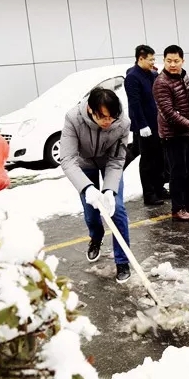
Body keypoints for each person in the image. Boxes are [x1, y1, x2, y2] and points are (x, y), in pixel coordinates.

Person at [59, 87, 133, 283]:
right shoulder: (73, 119)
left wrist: (109, 190)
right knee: (91, 211)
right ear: (90, 110)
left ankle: (122, 260)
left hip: (109, 164)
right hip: (84, 164)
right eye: (103, 117)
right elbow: (67, 159)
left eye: (111, 117)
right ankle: (96, 236)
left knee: (117, 208)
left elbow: (117, 160)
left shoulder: (122, 123)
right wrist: (87, 188)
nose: (108, 122)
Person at [153, 44, 189, 221]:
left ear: (182, 60)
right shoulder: (161, 83)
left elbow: (185, 97)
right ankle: (178, 209)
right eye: (169, 61)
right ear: (164, 61)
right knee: (178, 172)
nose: (172, 64)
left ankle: (187, 201)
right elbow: (169, 113)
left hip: (184, 132)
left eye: (176, 61)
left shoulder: (183, 75)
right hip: (171, 134)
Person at [126, 44, 170, 206]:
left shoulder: (151, 74)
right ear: (141, 58)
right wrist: (142, 125)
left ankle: (159, 188)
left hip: (157, 123)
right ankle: (149, 194)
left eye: (154, 59)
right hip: (144, 127)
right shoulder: (132, 77)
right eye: (150, 59)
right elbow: (135, 104)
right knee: (147, 161)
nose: (153, 62)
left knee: (160, 158)